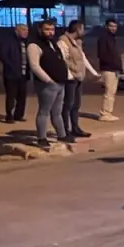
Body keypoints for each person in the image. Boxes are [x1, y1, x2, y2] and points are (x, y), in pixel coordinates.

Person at [26, 19, 73, 149]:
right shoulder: (34, 45)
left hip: (60, 83)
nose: (50, 32)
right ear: (40, 30)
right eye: (47, 29)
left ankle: (62, 135)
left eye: (52, 29)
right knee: (44, 111)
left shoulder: (52, 43)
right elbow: (35, 66)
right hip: (47, 85)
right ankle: (42, 138)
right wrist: (48, 80)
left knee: (57, 112)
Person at [57, 20, 99, 138]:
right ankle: (66, 130)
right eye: (82, 29)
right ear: (77, 29)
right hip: (70, 78)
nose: (83, 31)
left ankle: (75, 128)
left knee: (76, 104)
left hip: (79, 76)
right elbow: (64, 60)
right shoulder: (63, 41)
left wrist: (93, 72)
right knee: (68, 104)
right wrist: (70, 74)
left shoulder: (78, 42)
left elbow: (82, 58)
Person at [0, 23, 31, 123]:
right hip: (11, 74)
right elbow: (3, 55)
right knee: (11, 95)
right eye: (23, 30)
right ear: (17, 31)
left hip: (24, 74)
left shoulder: (26, 42)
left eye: (27, 30)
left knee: (22, 96)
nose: (26, 32)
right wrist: (12, 67)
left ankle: (19, 115)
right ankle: (9, 115)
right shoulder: (7, 41)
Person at [96, 19, 124, 121]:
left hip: (114, 69)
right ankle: (105, 113)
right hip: (108, 68)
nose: (113, 28)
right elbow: (102, 54)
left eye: (115, 26)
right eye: (111, 26)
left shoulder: (112, 38)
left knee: (112, 92)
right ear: (106, 26)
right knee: (109, 92)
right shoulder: (104, 38)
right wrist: (112, 64)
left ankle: (108, 112)